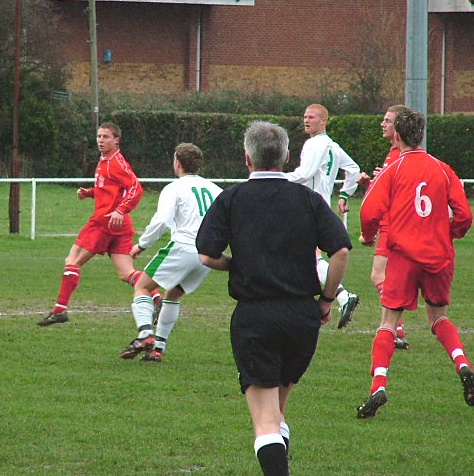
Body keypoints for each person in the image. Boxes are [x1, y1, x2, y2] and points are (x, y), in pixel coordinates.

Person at [196, 121, 351, 475]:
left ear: (247, 158)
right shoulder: (308, 199)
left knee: (265, 421)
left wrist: (237, 265)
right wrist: (326, 300)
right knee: (278, 409)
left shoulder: (232, 198)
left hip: (255, 316)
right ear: (286, 156)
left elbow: (205, 255)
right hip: (301, 317)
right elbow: (340, 250)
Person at [356, 108, 474, 419]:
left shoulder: (394, 169)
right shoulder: (443, 170)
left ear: (398, 135)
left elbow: (369, 212)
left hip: (403, 257)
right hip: (439, 256)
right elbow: (464, 215)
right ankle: (462, 363)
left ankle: (378, 386)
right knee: (438, 317)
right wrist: (450, 233)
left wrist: (368, 236)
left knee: (388, 322)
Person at [37, 122, 158, 326]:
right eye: (99, 136)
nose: (101, 140)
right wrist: (90, 193)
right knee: (125, 273)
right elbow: (111, 190)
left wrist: (120, 210)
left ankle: (59, 310)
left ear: (116, 140)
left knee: (72, 261)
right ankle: (157, 298)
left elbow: (135, 188)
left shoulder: (115, 163)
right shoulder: (106, 160)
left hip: (103, 222)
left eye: (106, 137)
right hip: (119, 225)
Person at [120, 143, 223, 362]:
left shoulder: (174, 188)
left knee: (142, 287)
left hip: (183, 247)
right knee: (173, 295)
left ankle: (146, 334)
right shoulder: (216, 189)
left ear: (177, 163)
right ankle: (157, 349)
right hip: (207, 255)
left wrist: (142, 244)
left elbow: (161, 220)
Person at [285, 103, 360, 328]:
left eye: (312, 117)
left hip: (309, 207)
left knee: (309, 257)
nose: (307, 120)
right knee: (308, 256)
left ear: (324, 121)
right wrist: (345, 194)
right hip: (322, 206)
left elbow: (303, 174)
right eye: (305, 116)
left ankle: (344, 296)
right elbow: (354, 169)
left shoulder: (315, 143)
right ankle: (338, 298)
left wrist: (273, 177)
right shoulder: (332, 145)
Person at [357, 104, 411, 349]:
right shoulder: (393, 152)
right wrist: (372, 182)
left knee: (380, 275)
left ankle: (394, 329)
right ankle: (391, 329)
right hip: (393, 221)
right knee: (386, 276)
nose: (383, 123)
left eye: (388, 120)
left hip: (394, 223)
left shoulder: (401, 154)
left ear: (399, 126)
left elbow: (401, 190)